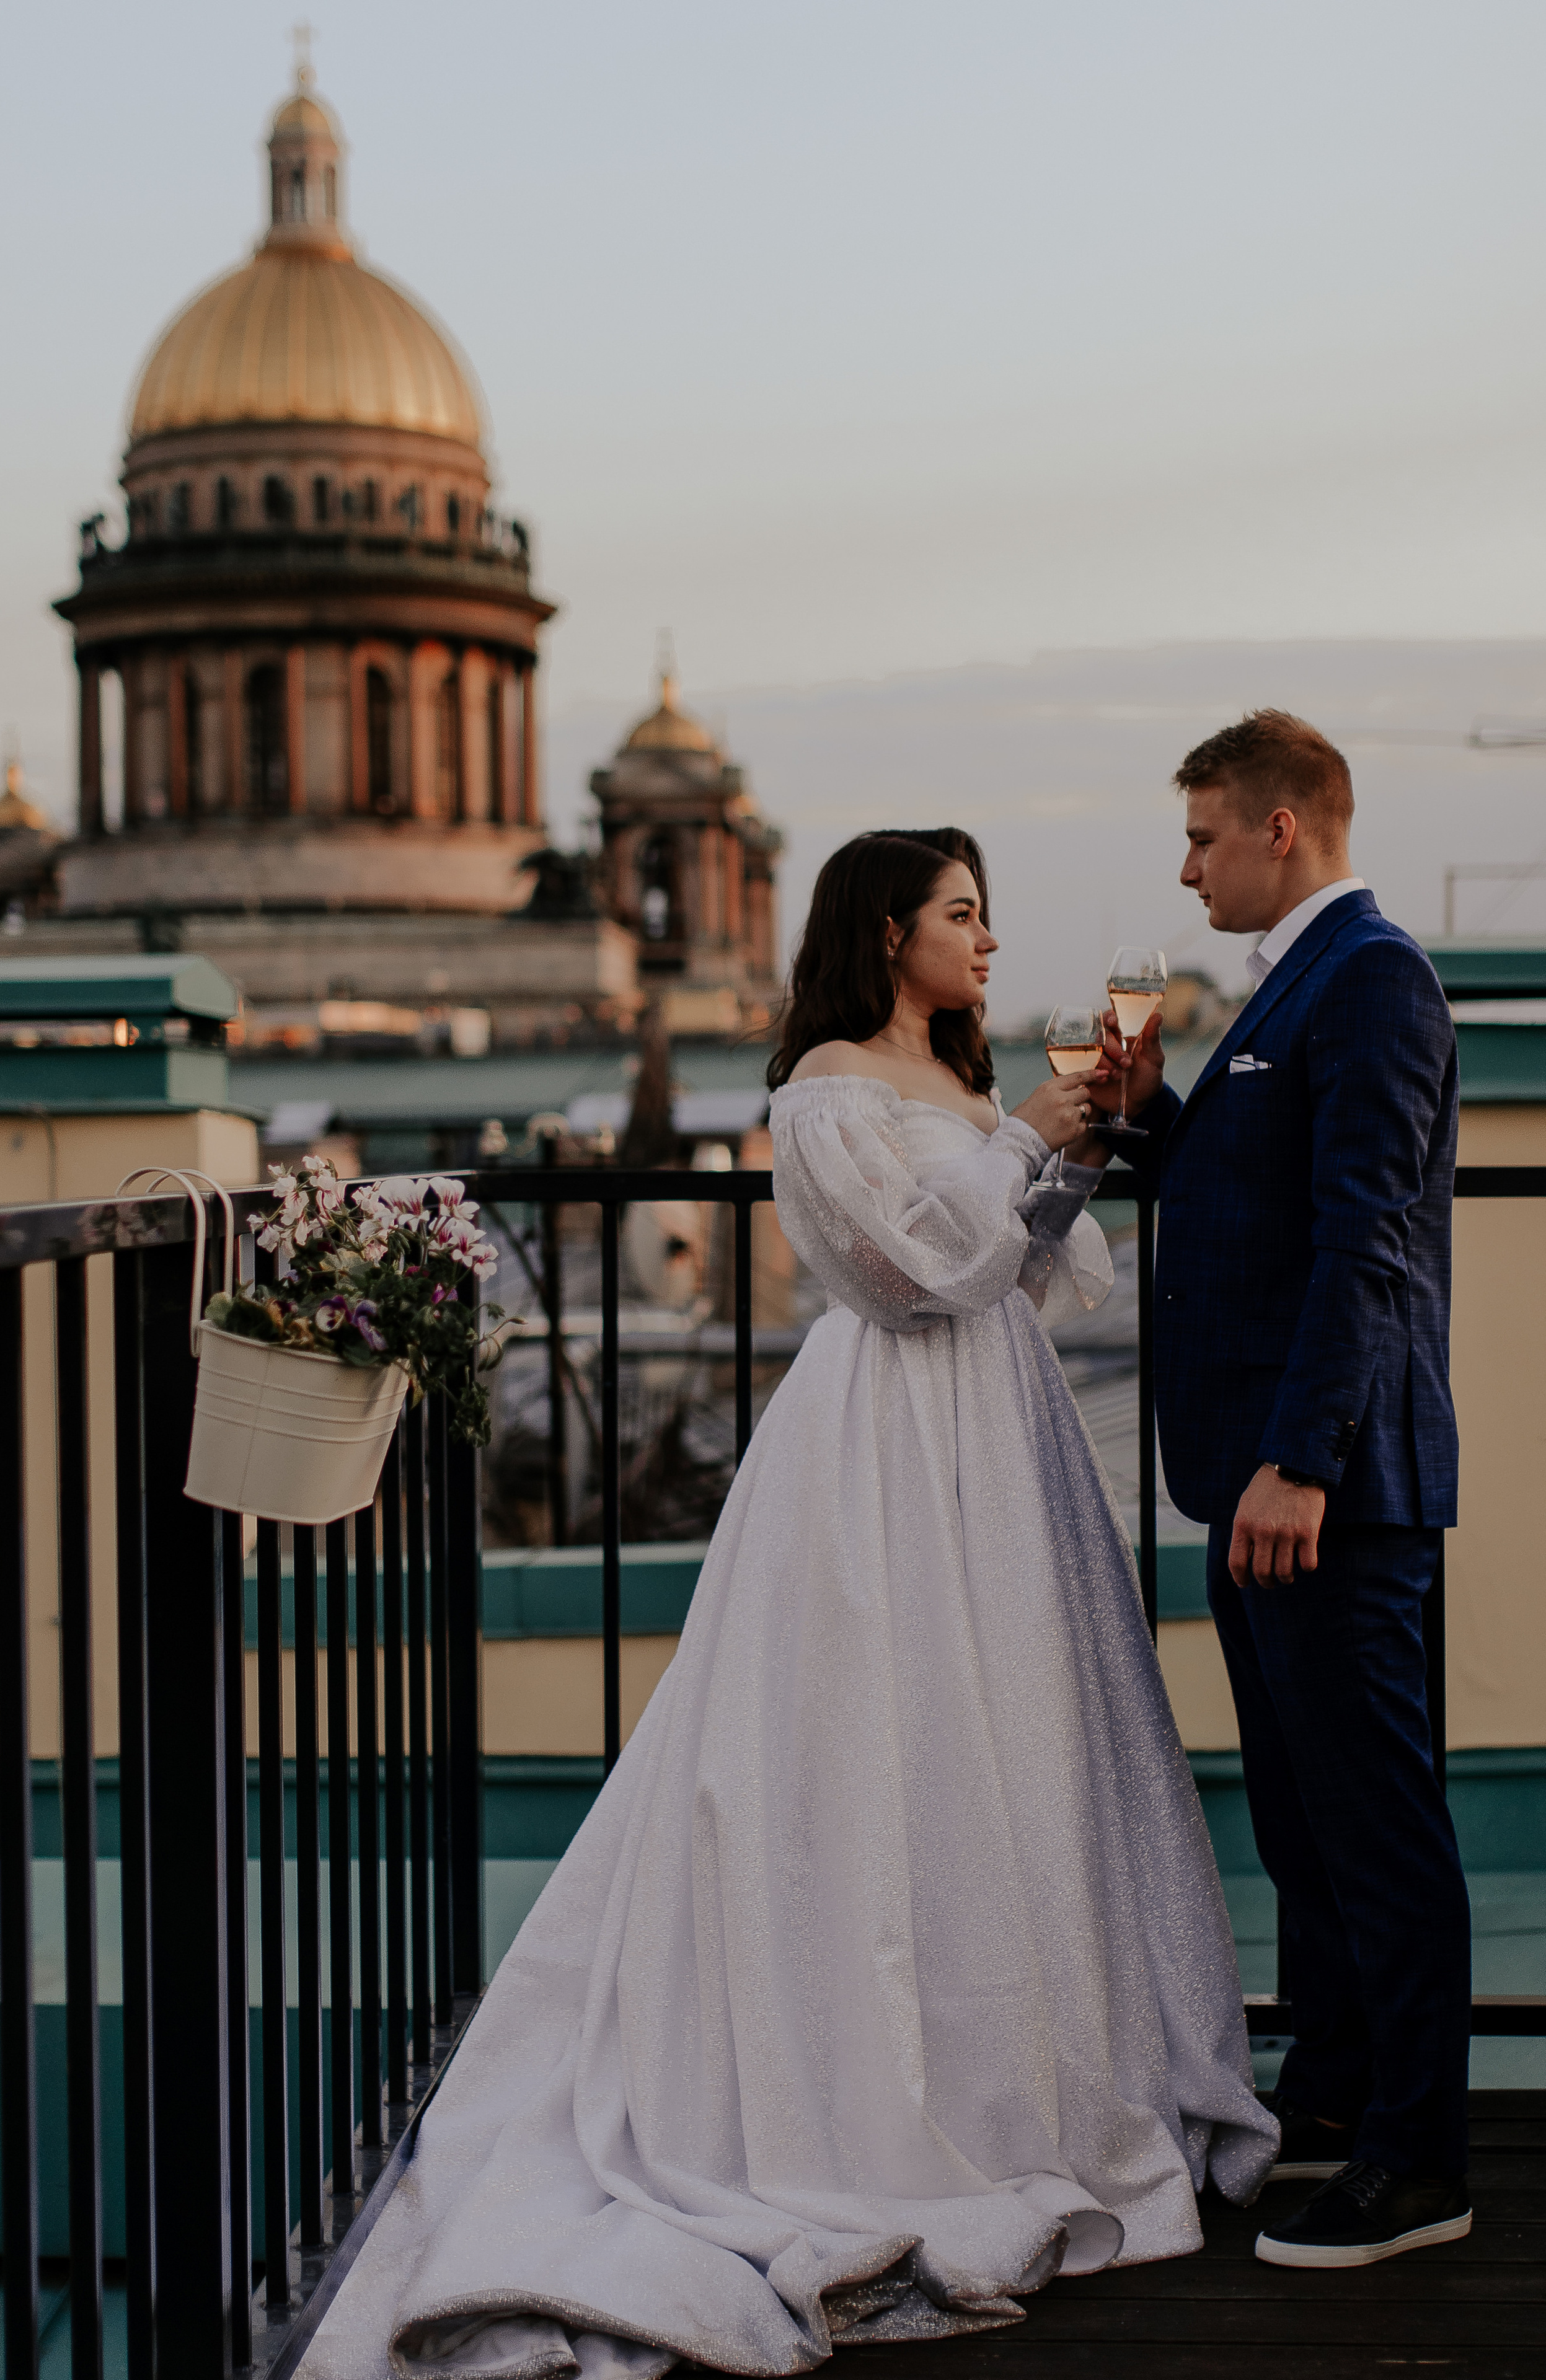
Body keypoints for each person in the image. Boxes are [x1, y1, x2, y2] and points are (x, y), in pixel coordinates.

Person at [304, 828, 1275, 2380]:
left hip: (999, 1430)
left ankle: (1038, 2076)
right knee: (876, 1733)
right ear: (887, 931)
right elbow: (899, 1277)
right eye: (962, 915)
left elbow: (1011, 1273)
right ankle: (862, 2090)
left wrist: (1065, 1149)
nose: (986, 940)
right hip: (888, 1437)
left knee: (1018, 1743)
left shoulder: (958, 1086)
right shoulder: (826, 1081)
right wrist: (1026, 1135)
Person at [1099, 711, 1471, 2271]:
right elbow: (1247, 1203)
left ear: (1279, 828)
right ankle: (1330, 2092)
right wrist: (1148, 1118)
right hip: (1256, 1480)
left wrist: (1299, 1463)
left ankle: (1417, 2160)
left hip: (1320, 1486)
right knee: (1302, 1816)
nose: (1181, 868)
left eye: (1198, 837)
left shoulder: (1369, 976)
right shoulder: (1282, 988)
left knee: (1373, 1819)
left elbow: (1365, 1242)